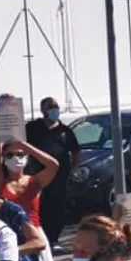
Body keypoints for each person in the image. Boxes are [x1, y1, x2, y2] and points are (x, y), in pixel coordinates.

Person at [24, 96, 82, 242]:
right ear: (43, 110)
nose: (54, 109)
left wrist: (74, 168)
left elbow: (76, 151)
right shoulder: (33, 128)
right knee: (39, 207)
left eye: (56, 106)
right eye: (50, 107)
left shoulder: (65, 131)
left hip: (60, 177)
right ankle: (38, 236)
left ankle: (53, 239)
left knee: (57, 209)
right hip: (37, 175)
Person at [0, 134, 60, 226]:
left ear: (27, 157)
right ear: (4, 158)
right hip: (8, 234)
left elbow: (53, 165)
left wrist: (24, 146)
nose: (15, 158)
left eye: (20, 154)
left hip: (33, 232)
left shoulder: (35, 181)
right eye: (10, 155)